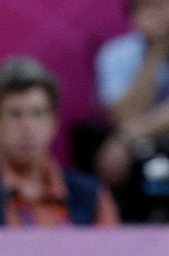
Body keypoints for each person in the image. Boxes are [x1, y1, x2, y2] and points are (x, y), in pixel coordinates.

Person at [90, 0, 169, 223]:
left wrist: (126, 136)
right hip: (138, 160)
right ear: (132, 8)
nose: (159, 10)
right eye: (147, 1)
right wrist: (156, 52)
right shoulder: (114, 54)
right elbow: (122, 115)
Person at [0, 56, 120, 227]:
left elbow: (111, 252)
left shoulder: (90, 194)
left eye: (38, 114)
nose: (27, 127)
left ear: (54, 122)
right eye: (15, 115)